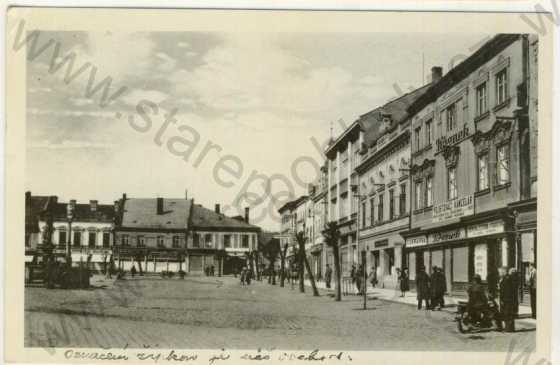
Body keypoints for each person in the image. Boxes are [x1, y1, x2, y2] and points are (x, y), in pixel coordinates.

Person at [499, 266, 516, 332]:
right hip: (507, 299)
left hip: (507, 299)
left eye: (500, 272)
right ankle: (508, 328)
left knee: (508, 313)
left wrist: (503, 299)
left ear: (503, 272)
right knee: (507, 313)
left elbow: (507, 291)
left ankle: (509, 329)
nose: (499, 273)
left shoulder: (507, 279)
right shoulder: (505, 278)